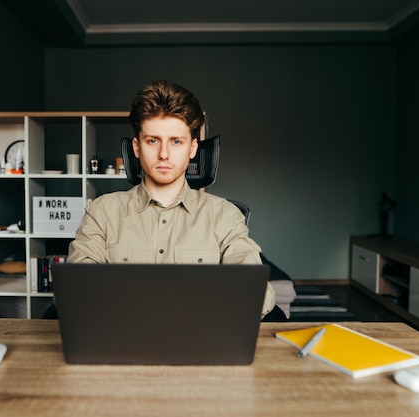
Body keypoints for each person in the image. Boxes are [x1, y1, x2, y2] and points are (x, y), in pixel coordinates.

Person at [67, 80, 276, 318]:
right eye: (153, 141)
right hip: (122, 342)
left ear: (193, 148)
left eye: (176, 142)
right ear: (137, 147)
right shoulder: (102, 212)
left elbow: (257, 294)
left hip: (201, 344)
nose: (164, 154)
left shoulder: (225, 216)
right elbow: (77, 290)